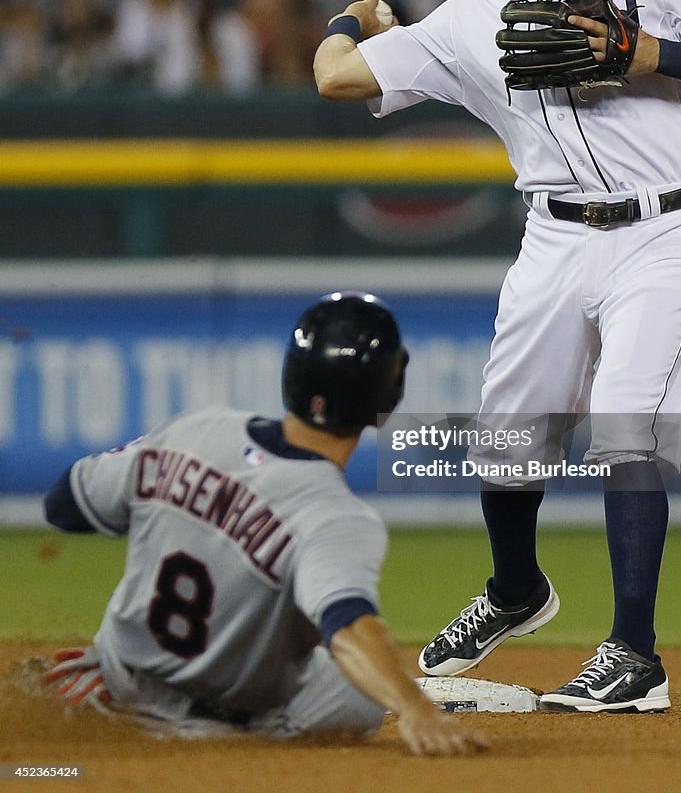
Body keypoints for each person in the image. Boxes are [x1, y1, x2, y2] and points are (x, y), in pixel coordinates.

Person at [312, 0, 681, 713]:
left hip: (660, 230)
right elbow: (335, 79)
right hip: (552, 240)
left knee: (624, 420)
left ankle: (633, 655)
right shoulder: (467, 19)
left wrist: (642, 51)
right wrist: (351, 20)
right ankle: (515, 590)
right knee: (505, 441)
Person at [42, 292, 487, 756]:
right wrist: (414, 706)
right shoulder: (336, 516)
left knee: (337, 678)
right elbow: (351, 628)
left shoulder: (196, 429)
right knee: (357, 693)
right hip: (218, 716)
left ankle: (112, 683)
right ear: (387, 396)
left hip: (119, 679)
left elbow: (65, 504)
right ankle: (221, 737)